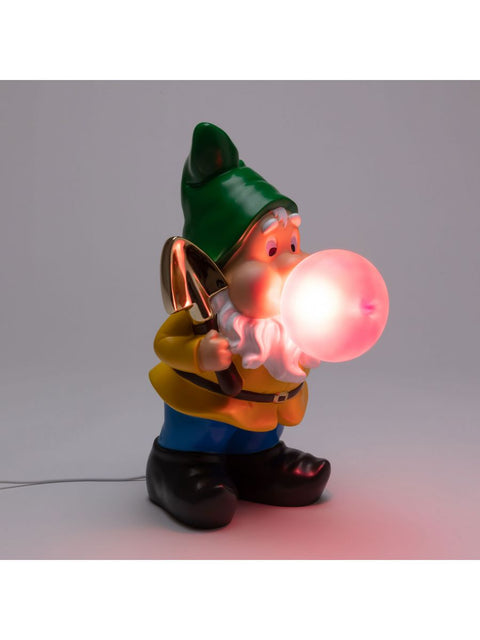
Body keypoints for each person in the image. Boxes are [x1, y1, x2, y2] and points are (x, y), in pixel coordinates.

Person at [146, 123, 330, 529]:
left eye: (294, 246)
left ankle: (259, 462)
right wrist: (199, 353)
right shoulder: (203, 315)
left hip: (263, 412)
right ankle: (178, 467)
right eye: (271, 251)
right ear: (219, 268)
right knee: (202, 430)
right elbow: (164, 344)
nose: (294, 262)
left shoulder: (285, 318)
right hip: (203, 409)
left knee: (261, 431)